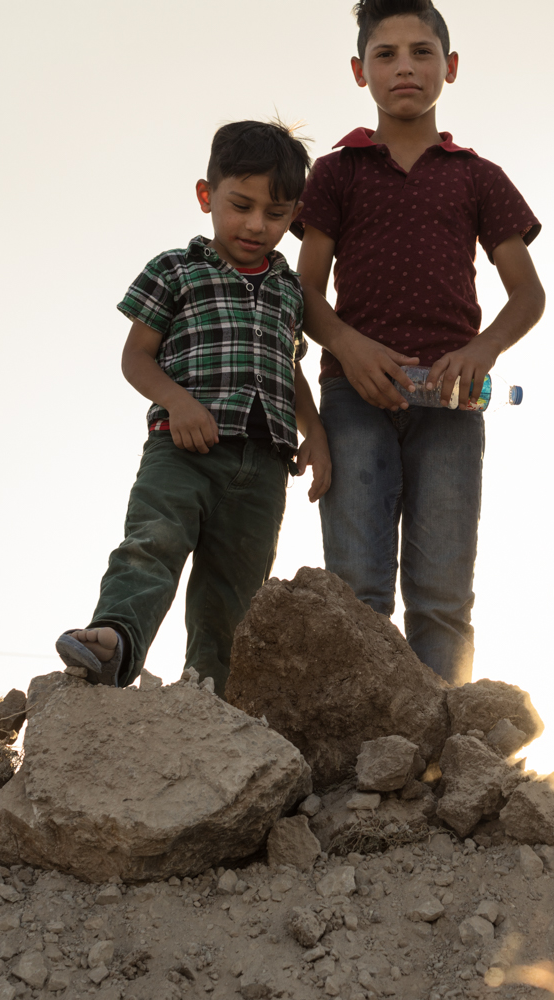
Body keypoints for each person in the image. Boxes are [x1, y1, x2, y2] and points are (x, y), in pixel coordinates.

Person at [292, 0, 545, 685]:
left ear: (450, 67)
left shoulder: (477, 176)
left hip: (451, 407)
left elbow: (529, 295)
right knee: (357, 592)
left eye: (421, 52)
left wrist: (484, 349)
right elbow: (303, 293)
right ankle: (359, 748)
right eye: (386, 54)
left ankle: (443, 753)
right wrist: (346, 344)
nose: (405, 66)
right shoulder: (336, 173)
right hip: (354, 399)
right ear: (359, 71)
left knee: (442, 596)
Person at [56, 120, 331, 691]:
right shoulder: (176, 269)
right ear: (207, 195)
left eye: (276, 214)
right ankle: (114, 639)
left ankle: (210, 694)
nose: (257, 225)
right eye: (241, 205)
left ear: (294, 215)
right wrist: (178, 404)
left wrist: (318, 435)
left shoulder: (287, 288)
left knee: (236, 589)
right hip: (182, 450)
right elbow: (136, 358)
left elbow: (290, 366)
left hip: (264, 465)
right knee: (153, 542)